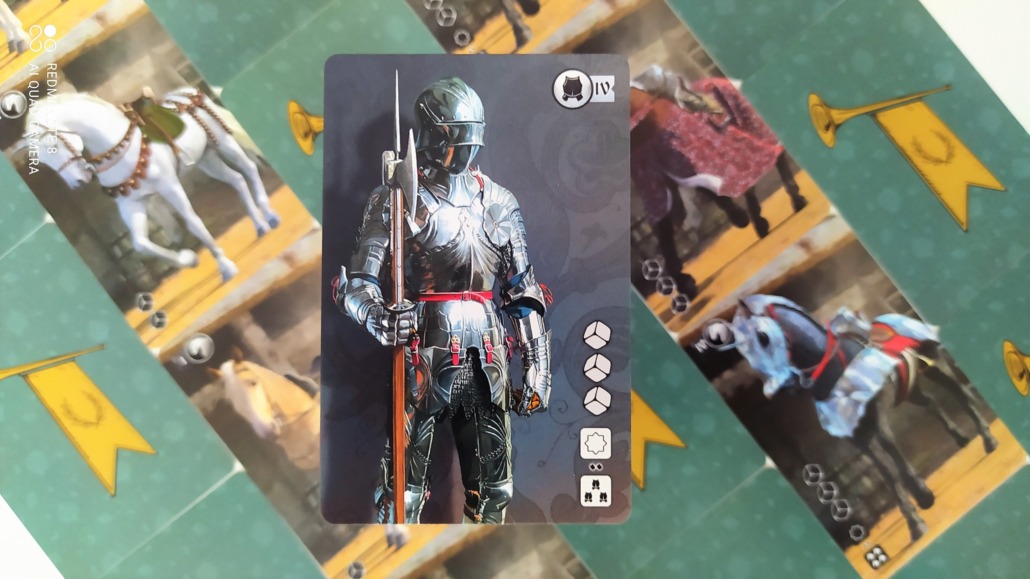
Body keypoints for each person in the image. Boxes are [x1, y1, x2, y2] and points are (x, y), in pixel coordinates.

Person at [336, 77, 552, 523]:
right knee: (404, 494)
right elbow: (358, 283)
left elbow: (522, 288)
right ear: (433, 135)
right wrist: (377, 316)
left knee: (495, 490)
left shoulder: (498, 200)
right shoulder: (395, 198)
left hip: (489, 352)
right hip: (423, 347)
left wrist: (537, 365)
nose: (462, 149)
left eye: (469, 138)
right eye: (455, 137)